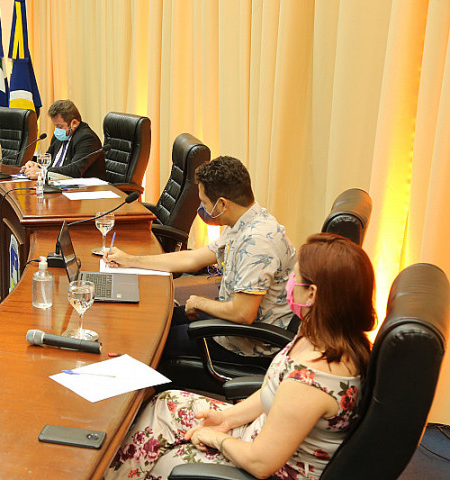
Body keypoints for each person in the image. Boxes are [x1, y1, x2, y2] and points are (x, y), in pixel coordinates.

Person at [106, 233, 376, 480]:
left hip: (267, 468)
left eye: (295, 278)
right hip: (259, 433)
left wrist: (216, 438)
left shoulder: (311, 380)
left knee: (162, 459)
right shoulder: (325, 336)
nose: (289, 285)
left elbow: (261, 463)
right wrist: (228, 418)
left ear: (312, 294)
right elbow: (274, 389)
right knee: (164, 404)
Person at [106, 156, 295, 365]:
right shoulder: (243, 222)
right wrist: (130, 260)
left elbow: (243, 314)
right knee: (155, 321)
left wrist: (198, 302)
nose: (202, 208)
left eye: (204, 202)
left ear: (222, 203)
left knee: (152, 344)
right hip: (230, 320)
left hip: (248, 343)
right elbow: (193, 258)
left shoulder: (257, 243)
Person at [20, 99, 105, 179]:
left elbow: (74, 170)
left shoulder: (87, 138)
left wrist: (42, 172)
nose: (57, 130)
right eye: (55, 126)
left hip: (84, 189)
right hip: (56, 183)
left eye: (60, 126)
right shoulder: (60, 135)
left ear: (74, 123)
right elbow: (49, 159)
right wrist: (35, 166)